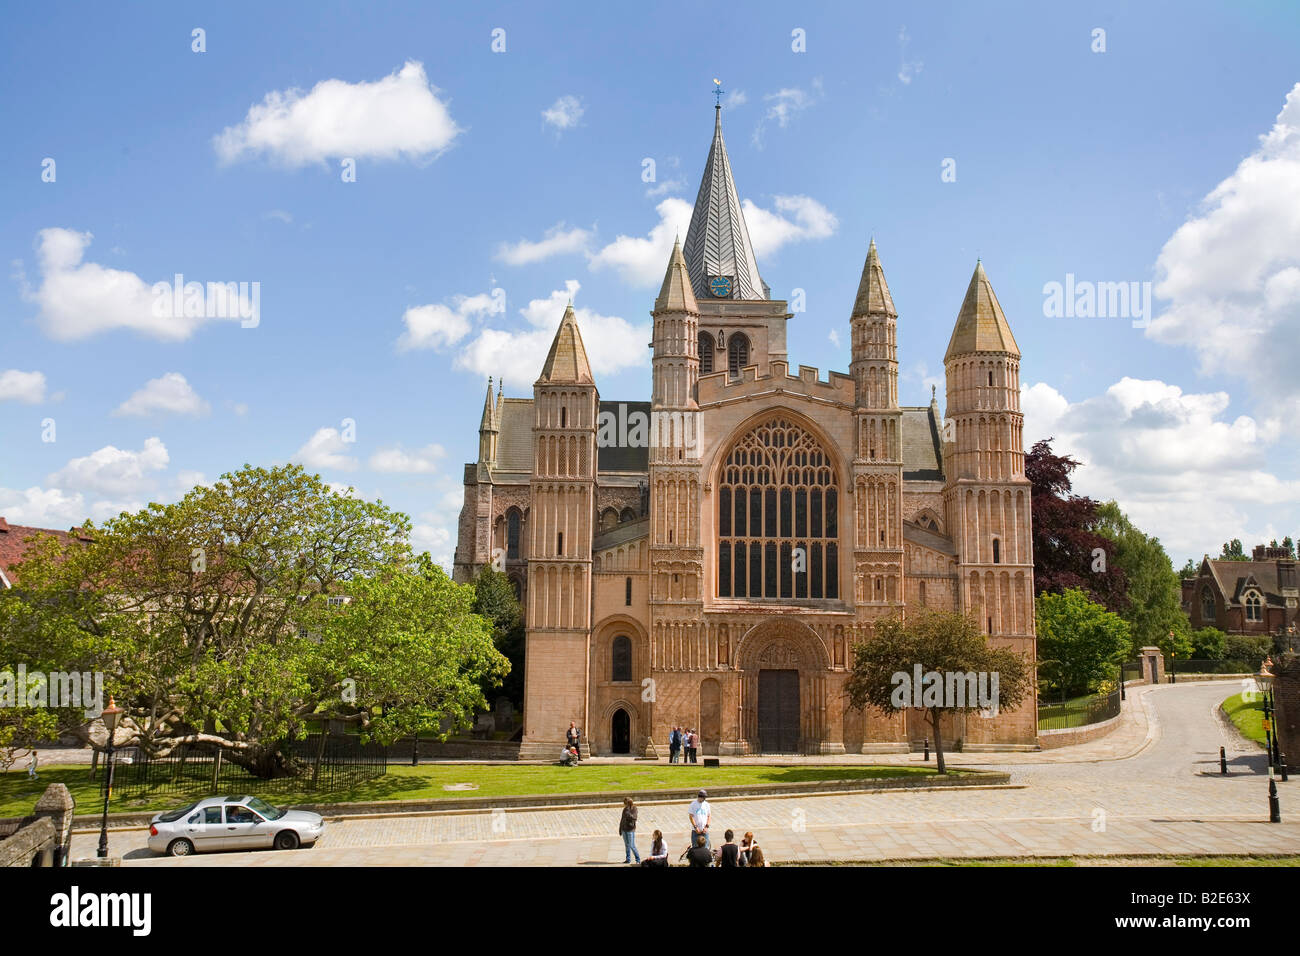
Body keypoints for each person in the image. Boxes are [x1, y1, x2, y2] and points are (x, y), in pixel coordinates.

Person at [618, 797, 640, 864]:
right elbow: (622, 819)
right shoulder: (625, 809)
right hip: (624, 829)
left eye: (625, 803)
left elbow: (634, 818)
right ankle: (628, 859)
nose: (624, 805)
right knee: (627, 845)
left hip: (630, 830)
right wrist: (620, 828)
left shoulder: (634, 809)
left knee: (632, 845)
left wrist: (628, 812)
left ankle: (638, 860)